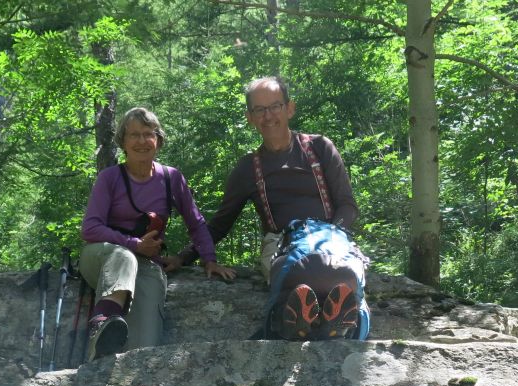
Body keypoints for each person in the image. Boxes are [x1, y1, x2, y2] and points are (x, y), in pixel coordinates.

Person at [166, 76, 363, 340]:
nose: (268, 116)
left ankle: (306, 322)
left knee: (340, 269)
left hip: (330, 236)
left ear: (289, 108)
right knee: (304, 271)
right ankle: (323, 323)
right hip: (282, 243)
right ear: (250, 117)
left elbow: (347, 205)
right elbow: (221, 223)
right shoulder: (248, 168)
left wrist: (332, 236)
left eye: (275, 106)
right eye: (259, 109)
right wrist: (184, 257)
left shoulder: (319, 148)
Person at [80, 107, 235, 361]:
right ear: (123, 142)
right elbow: (90, 228)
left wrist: (209, 259)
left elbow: (195, 222)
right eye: (134, 135)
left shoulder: (171, 178)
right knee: (124, 258)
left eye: (148, 134)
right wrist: (134, 244)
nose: (141, 141)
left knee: (146, 340)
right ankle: (101, 325)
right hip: (102, 256)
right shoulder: (110, 178)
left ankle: (133, 382)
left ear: (158, 140)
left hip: (146, 263)